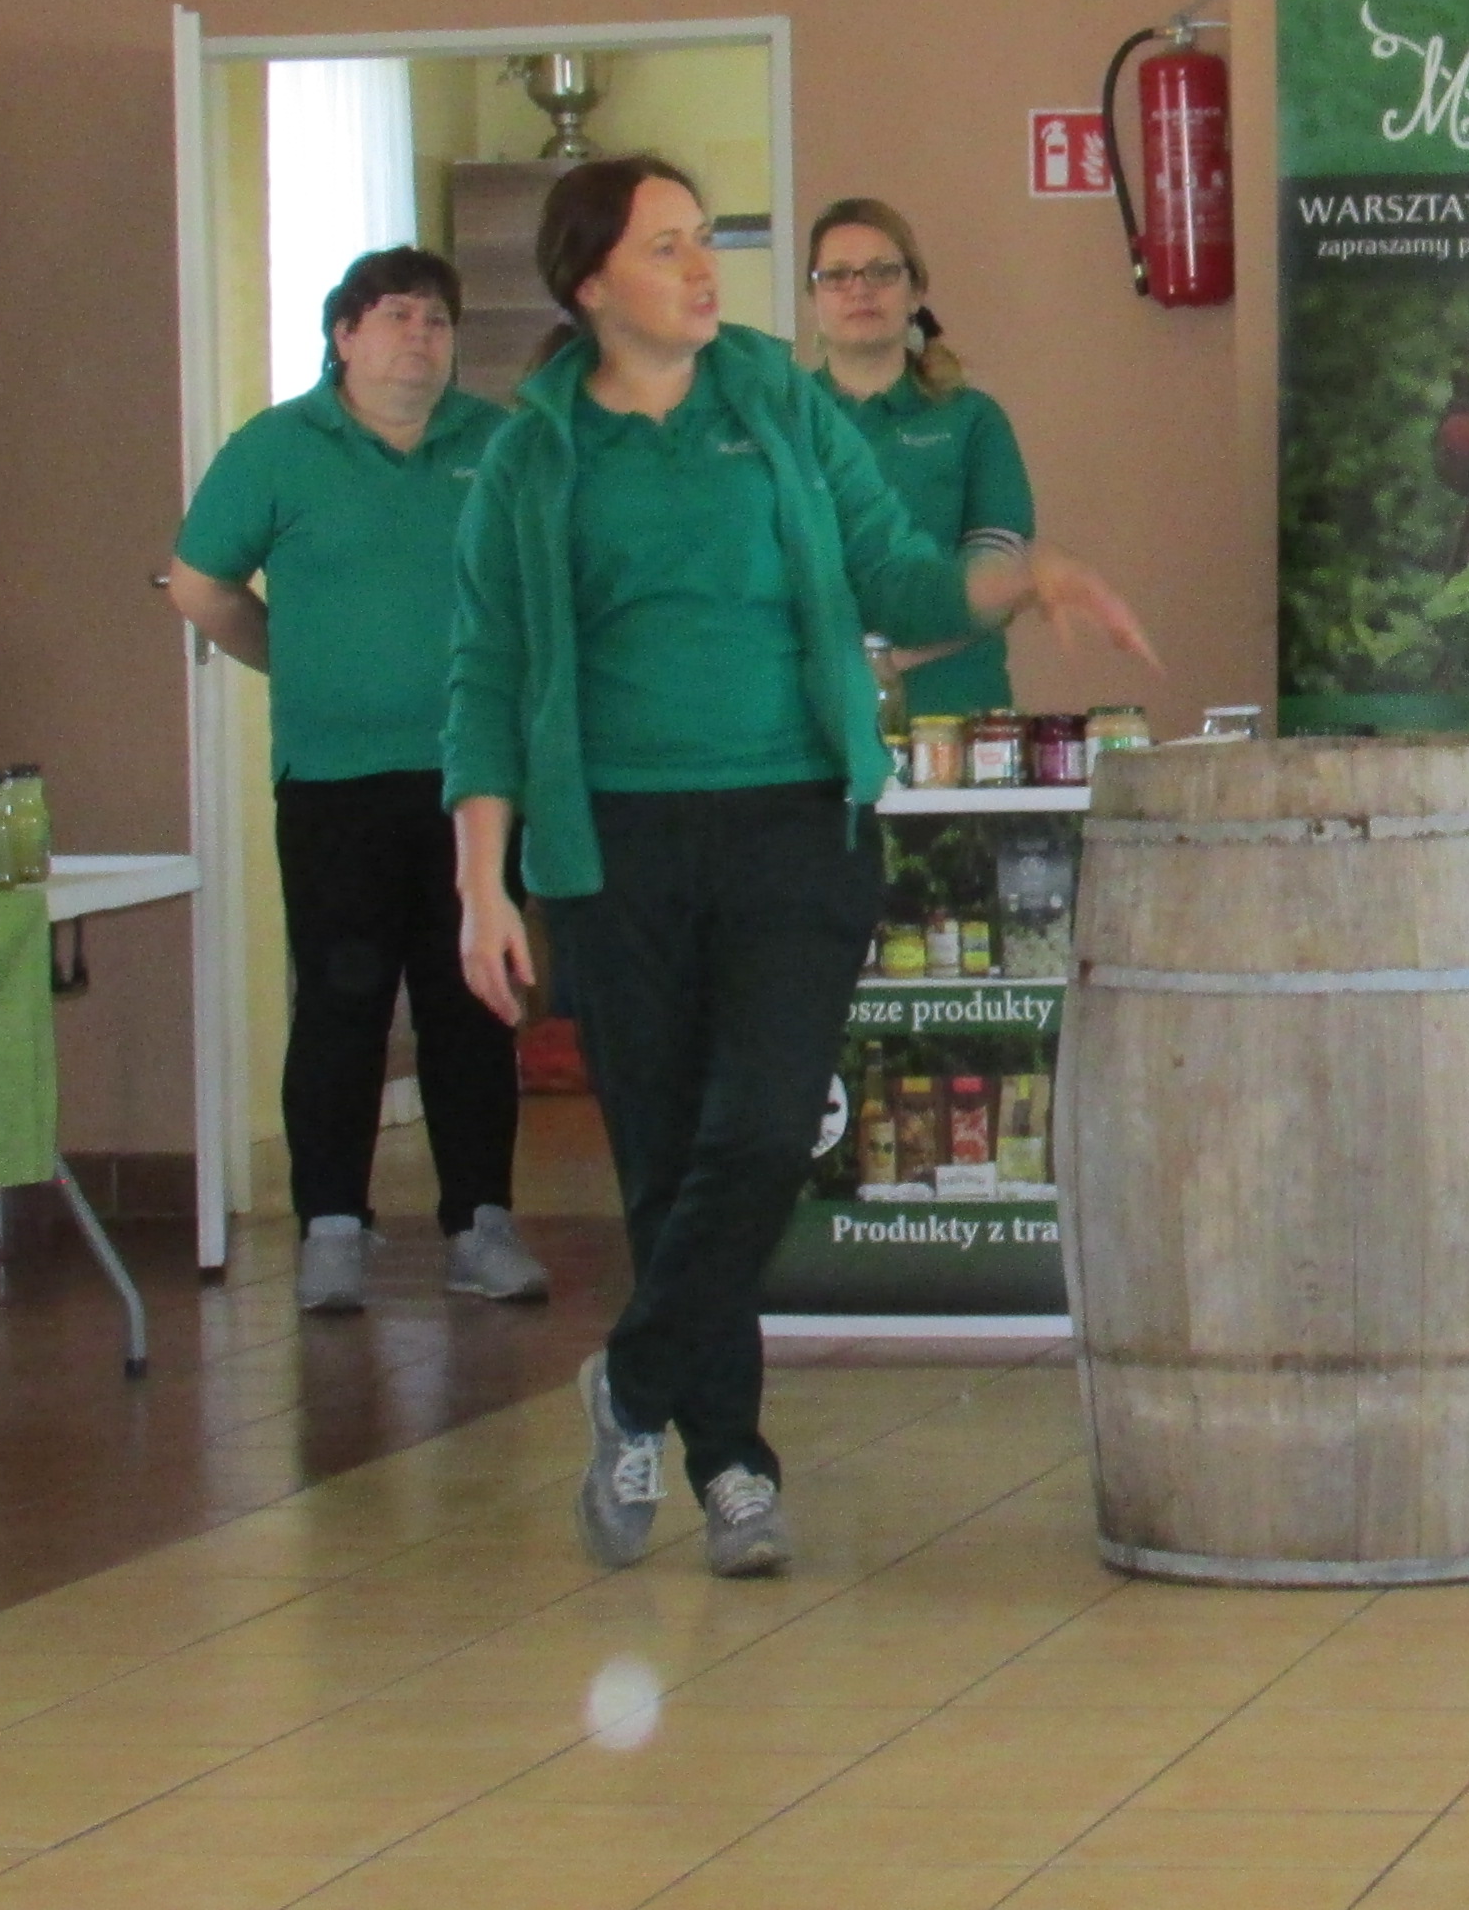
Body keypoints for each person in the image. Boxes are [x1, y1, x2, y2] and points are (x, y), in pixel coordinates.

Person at [446, 154, 1148, 1580]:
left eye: (704, 239)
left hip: (792, 825)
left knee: (767, 1135)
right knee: (665, 1165)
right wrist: (480, 884)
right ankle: (731, 1467)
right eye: (665, 247)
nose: (703, 269)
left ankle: (629, 1383)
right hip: (614, 849)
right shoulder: (532, 456)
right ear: (590, 284)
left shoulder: (776, 403)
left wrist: (1030, 574)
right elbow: (487, 675)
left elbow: (897, 575)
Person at [165, 247, 549, 1317]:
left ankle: (482, 1223)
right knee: (342, 1005)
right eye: (395, 317)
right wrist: (299, 661)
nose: (419, 338)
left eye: (436, 321)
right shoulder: (276, 447)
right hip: (333, 780)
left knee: (473, 1007)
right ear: (344, 335)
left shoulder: (500, 444)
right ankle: (332, 1227)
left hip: (474, 781)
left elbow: (553, 584)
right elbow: (200, 587)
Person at [802, 196, 1037, 715]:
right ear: (812, 298)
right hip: (809, 722)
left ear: (915, 293)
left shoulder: (973, 420)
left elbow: (999, 581)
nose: (859, 288)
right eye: (836, 275)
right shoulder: (782, 423)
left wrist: (884, 665)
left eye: (882, 271)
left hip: (953, 716)